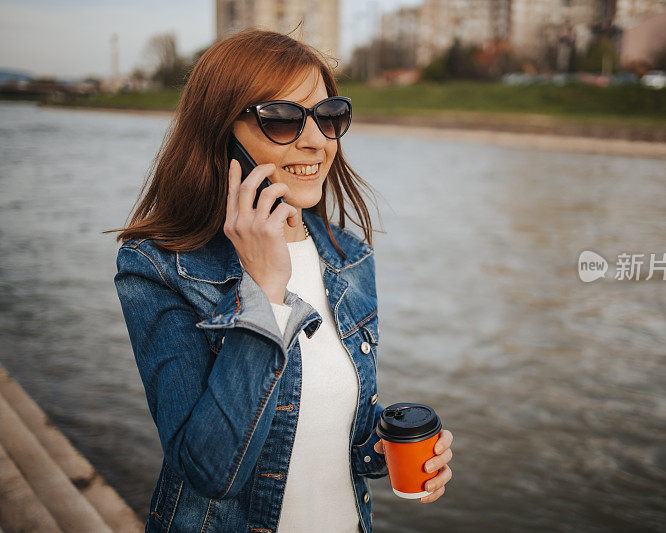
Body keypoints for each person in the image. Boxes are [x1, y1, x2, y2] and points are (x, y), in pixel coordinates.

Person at [109, 29, 454, 533]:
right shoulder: (158, 267)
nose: (316, 140)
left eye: (329, 115)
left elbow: (340, 435)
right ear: (221, 133)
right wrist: (265, 290)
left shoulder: (347, 255)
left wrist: (394, 445)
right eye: (282, 119)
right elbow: (208, 471)